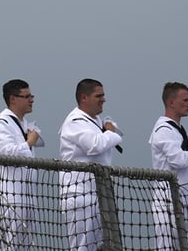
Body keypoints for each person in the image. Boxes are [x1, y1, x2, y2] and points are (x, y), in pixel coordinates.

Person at [58, 78, 123, 251]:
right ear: (84, 98)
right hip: (80, 195)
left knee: (100, 246)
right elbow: (95, 145)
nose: (103, 99)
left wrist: (109, 130)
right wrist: (110, 131)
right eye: (98, 96)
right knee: (83, 247)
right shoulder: (75, 122)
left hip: (98, 194)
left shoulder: (95, 121)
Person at [0, 79, 45, 250]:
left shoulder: (23, 124)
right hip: (10, 197)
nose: (31, 100)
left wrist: (31, 141)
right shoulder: (1, 124)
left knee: (26, 246)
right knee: (12, 246)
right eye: (26, 96)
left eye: (31, 96)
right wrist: (29, 143)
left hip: (28, 196)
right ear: (13, 99)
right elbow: (8, 153)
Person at [148, 82, 188, 250]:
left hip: (178, 199)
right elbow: (177, 160)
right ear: (171, 102)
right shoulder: (164, 130)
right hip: (167, 201)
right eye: (185, 100)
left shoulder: (177, 129)